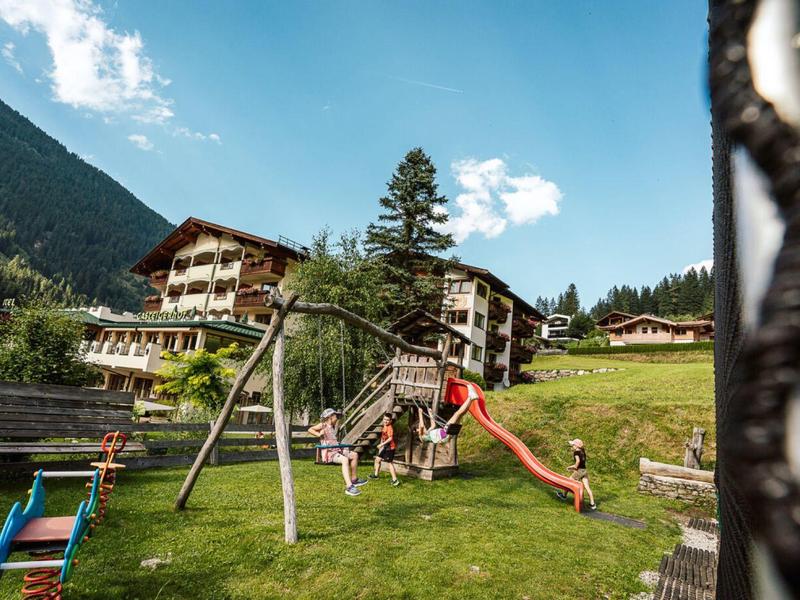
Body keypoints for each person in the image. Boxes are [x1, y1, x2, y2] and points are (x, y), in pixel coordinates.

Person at [308, 408, 367, 496]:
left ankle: (354, 480)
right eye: (336, 416)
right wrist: (319, 434)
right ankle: (349, 487)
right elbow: (310, 429)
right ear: (330, 417)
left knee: (354, 455)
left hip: (337, 450)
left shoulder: (333, 426)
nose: (337, 418)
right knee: (345, 460)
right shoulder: (323, 425)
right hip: (330, 453)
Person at [556, 438, 597, 511]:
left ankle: (564, 496)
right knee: (587, 487)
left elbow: (577, 462)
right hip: (584, 470)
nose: (572, 446)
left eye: (573, 445)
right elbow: (582, 462)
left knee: (568, 482)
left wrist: (571, 467)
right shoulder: (582, 451)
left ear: (576, 446)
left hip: (580, 471)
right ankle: (592, 504)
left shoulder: (576, 453)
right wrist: (575, 468)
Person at [369, 412, 400, 486]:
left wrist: (381, 444)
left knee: (390, 463)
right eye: (384, 419)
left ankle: (395, 480)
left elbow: (390, 438)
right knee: (377, 460)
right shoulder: (385, 426)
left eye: (387, 420)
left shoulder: (390, 428)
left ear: (390, 421)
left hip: (390, 448)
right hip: (386, 447)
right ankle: (376, 475)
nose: (386, 421)